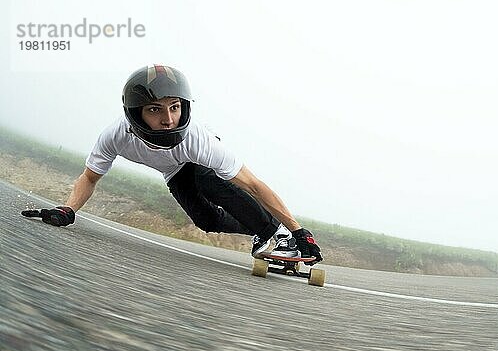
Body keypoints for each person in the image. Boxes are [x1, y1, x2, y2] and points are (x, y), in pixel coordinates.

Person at [21, 64, 322, 263]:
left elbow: (253, 186)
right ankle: (265, 231)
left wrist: (298, 231)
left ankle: (274, 233)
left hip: (193, 162)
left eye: (174, 108)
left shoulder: (198, 140)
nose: (168, 120)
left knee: (208, 180)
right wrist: (67, 209)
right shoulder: (115, 136)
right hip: (174, 171)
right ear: (135, 113)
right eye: (155, 110)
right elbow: (89, 178)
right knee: (206, 221)